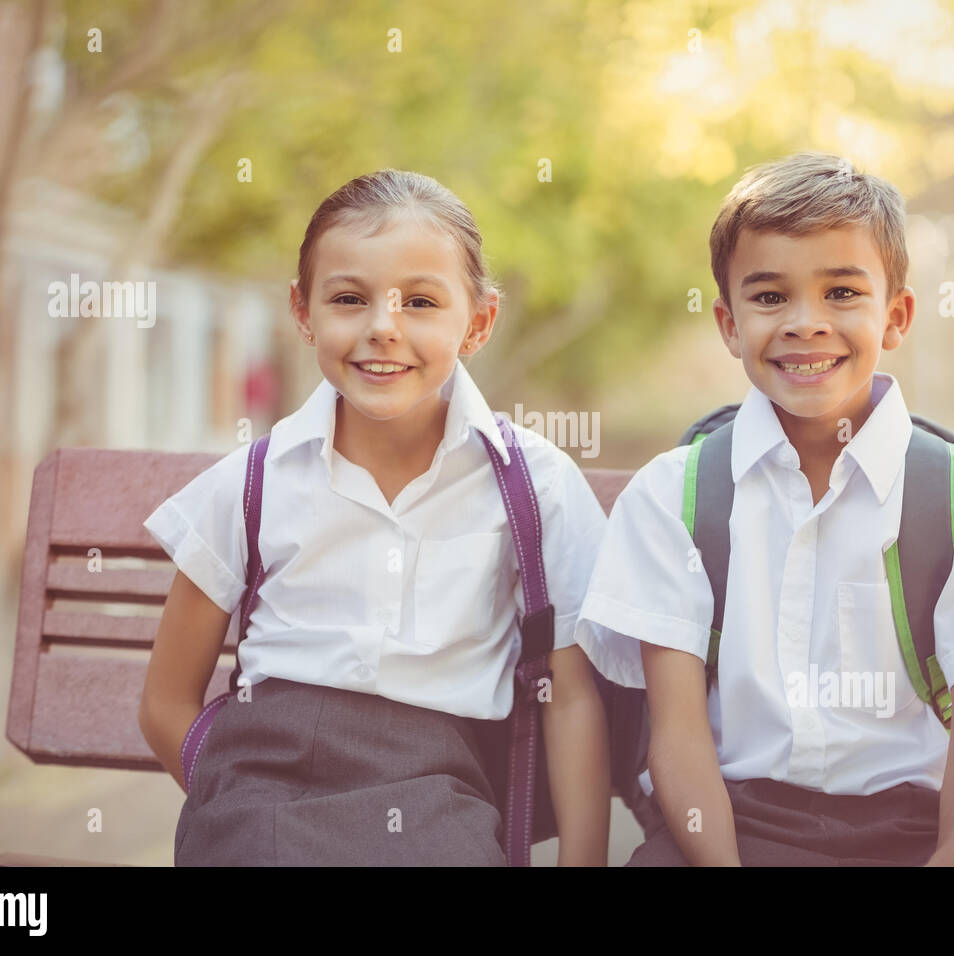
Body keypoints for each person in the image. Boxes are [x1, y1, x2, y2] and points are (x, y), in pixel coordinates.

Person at [574, 152, 954, 866]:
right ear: (728, 323)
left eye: (842, 292)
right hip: (726, 826)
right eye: (770, 297)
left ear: (897, 315)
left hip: (912, 835)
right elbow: (679, 736)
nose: (806, 324)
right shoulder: (672, 497)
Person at [139, 169, 611, 866]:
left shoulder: (535, 487)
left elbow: (572, 701)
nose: (382, 328)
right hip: (261, 796)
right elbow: (166, 701)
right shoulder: (250, 485)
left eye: (420, 301)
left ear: (478, 321)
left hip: (439, 798)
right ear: (303, 312)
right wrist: (230, 800)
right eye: (349, 299)